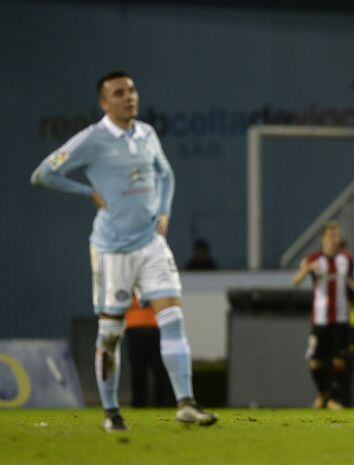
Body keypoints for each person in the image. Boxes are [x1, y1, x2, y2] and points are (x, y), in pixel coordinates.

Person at [30, 70, 216, 431]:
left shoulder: (146, 133)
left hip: (150, 244)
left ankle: (186, 403)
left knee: (173, 319)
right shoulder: (91, 140)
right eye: (118, 93)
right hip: (112, 251)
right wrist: (89, 192)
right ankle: (111, 411)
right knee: (111, 334)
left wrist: (164, 211)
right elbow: (42, 175)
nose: (128, 97)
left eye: (131, 90)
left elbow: (167, 174)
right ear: (104, 103)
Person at [293, 222, 354, 410]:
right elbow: (296, 281)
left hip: (341, 318)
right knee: (315, 362)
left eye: (336, 236)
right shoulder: (314, 259)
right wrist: (306, 270)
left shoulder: (345, 259)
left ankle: (335, 399)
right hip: (320, 319)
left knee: (339, 360)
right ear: (323, 239)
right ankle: (323, 392)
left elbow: (353, 282)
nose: (333, 240)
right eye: (330, 236)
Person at [124, 295, 174, 408]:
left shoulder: (155, 284)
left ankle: (162, 403)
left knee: (160, 369)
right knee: (137, 370)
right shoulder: (130, 285)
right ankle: (138, 404)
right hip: (134, 329)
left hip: (156, 328)